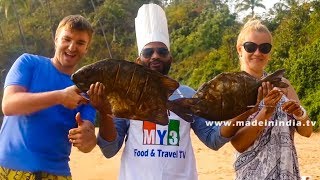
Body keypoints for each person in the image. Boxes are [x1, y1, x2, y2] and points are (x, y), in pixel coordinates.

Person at [88, 4, 258, 180]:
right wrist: (104, 111)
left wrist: (247, 111)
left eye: (162, 51)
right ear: (138, 60)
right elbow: (109, 149)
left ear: (170, 58)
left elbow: (212, 138)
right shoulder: (125, 96)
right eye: (148, 52)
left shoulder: (187, 94)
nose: (155, 56)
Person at [0, 15, 97, 179]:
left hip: (56, 174)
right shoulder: (28, 63)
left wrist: (87, 139)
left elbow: (87, 141)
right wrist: (60, 96)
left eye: (80, 43)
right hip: (8, 169)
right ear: (56, 39)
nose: (72, 47)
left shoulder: (86, 90)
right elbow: (9, 105)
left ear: (86, 48)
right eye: (67, 39)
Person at [230, 19, 313, 179]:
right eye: (250, 47)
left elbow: (307, 131)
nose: (257, 52)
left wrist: (299, 114)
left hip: (287, 173)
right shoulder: (233, 89)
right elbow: (239, 143)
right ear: (239, 49)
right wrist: (266, 112)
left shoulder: (283, 85)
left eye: (264, 48)